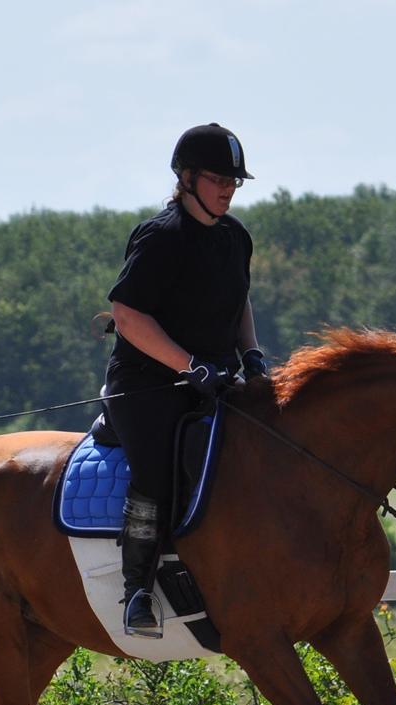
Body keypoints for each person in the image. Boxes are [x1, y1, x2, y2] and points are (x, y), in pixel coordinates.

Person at [104, 122, 268, 639]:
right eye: (219, 178)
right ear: (188, 177)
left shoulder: (235, 236)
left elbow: (238, 300)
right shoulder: (162, 237)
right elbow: (128, 315)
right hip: (147, 383)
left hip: (215, 380)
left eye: (234, 181)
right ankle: (138, 593)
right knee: (156, 474)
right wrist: (189, 365)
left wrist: (253, 355)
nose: (228, 189)